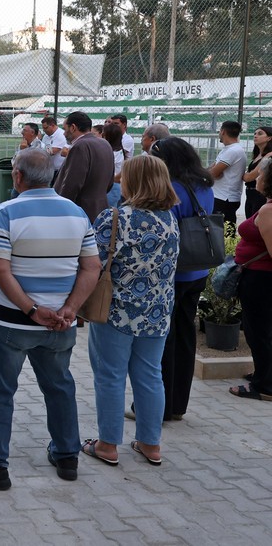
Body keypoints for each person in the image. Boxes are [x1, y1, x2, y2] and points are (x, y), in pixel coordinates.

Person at [0, 149, 99, 490]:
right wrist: (71, 308)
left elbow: (0, 269)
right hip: (60, 325)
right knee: (60, 387)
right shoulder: (76, 212)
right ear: (52, 176)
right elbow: (92, 266)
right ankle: (67, 455)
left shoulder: (7, 212)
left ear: (18, 177)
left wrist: (31, 310)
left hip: (8, 323)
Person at [81, 155, 179, 468]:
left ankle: (108, 444)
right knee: (151, 375)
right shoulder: (170, 219)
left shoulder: (115, 218)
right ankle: (151, 444)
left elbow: (92, 264)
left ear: (133, 180)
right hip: (157, 312)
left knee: (110, 376)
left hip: (115, 312)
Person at [148, 137, 215, 421]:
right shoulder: (204, 185)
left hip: (173, 275)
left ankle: (158, 407)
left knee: (164, 341)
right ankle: (177, 405)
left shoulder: (171, 190)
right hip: (198, 270)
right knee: (186, 338)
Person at [228, 155, 272, 401]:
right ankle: (263, 374)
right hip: (259, 277)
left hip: (260, 278)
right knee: (262, 330)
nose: (258, 177)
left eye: (262, 174)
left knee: (259, 331)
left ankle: (263, 385)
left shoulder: (268, 210)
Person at [54, 111, 115, 222]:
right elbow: (110, 183)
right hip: (101, 210)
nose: (63, 133)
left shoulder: (81, 146)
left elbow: (72, 184)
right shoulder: (105, 144)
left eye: (65, 128)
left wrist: (60, 209)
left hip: (81, 213)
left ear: (73, 127)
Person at [209, 120, 247, 237]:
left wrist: (214, 172)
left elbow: (214, 173)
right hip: (221, 196)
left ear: (223, 131)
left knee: (225, 233)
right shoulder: (228, 149)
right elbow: (213, 170)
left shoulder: (233, 151)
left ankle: (228, 254)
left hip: (225, 198)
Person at [243, 126, 272, 219]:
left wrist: (239, 173)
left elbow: (250, 177)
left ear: (269, 138)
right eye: (255, 134)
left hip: (260, 195)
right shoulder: (257, 155)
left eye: (260, 134)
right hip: (250, 194)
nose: (255, 136)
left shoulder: (269, 155)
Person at [102, 122, 127, 209]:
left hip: (111, 186)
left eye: (104, 134)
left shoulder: (112, 153)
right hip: (114, 186)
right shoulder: (119, 151)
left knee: (109, 210)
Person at [41, 115, 68, 181]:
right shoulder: (46, 136)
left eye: (46, 128)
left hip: (59, 170)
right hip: (49, 169)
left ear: (52, 125)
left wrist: (40, 150)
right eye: (43, 128)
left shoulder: (61, 135)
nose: (44, 130)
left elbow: (52, 151)